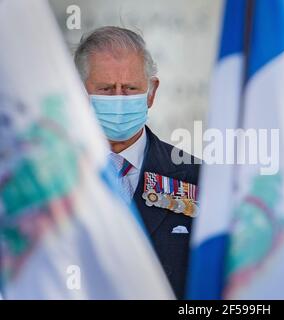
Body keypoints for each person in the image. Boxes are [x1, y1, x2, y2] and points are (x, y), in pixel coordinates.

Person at [74, 26, 199, 299]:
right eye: (106, 90)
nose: (119, 99)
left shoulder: (197, 178)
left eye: (130, 88)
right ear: (78, 93)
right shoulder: (48, 181)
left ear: (151, 93)